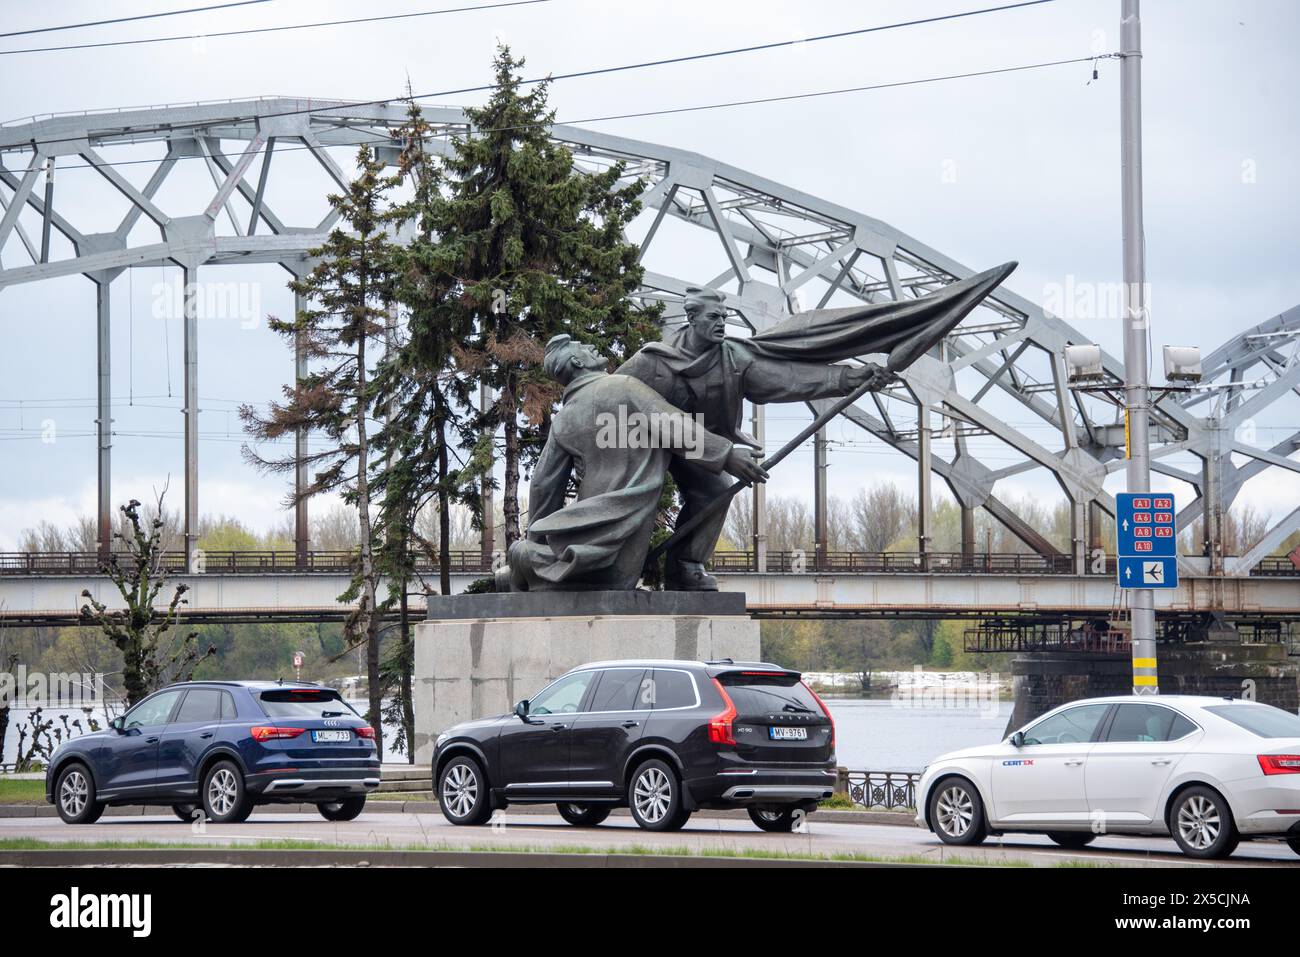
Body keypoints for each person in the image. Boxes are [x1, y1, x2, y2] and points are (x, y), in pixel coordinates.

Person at [505, 335, 767, 592]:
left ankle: (530, 561)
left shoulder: (564, 419)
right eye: (583, 347)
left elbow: (544, 487)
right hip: (621, 551)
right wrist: (727, 454)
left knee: (543, 557)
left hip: (584, 533)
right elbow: (671, 424)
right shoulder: (623, 387)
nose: (591, 346)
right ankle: (685, 567)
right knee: (718, 488)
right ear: (576, 361)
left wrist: (538, 543)